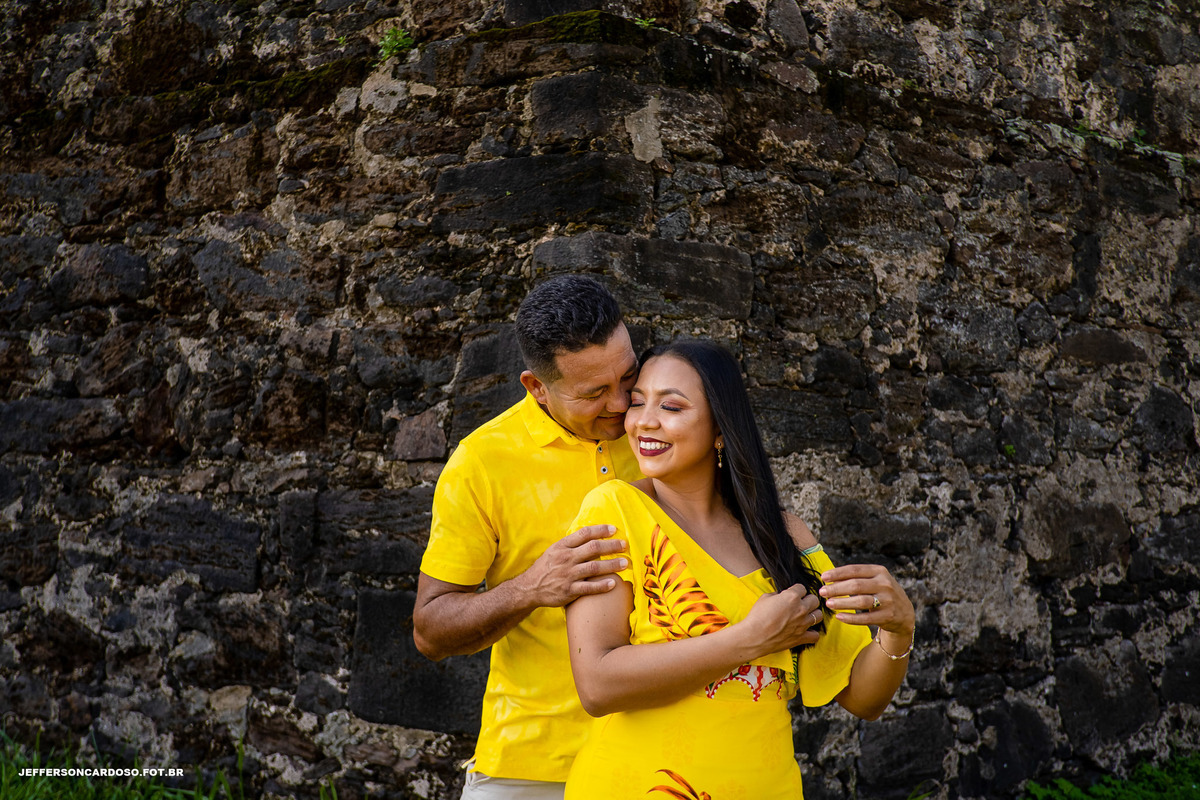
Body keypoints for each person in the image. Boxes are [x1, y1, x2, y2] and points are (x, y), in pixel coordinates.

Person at [564, 340, 916, 799]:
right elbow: (597, 683)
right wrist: (748, 640)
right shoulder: (614, 511)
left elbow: (862, 697)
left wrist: (899, 629)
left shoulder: (783, 536)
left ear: (720, 430)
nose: (644, 420)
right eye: (637, 403)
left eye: (671, 406)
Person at [413, 274, 643, 799]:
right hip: (532, 766)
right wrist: (530, 587)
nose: (622, 403)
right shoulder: (482, 462)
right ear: (536, 387)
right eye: (593, 393)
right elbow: (429, 630)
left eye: (627, 377)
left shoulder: (663, 428)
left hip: (660, 753)